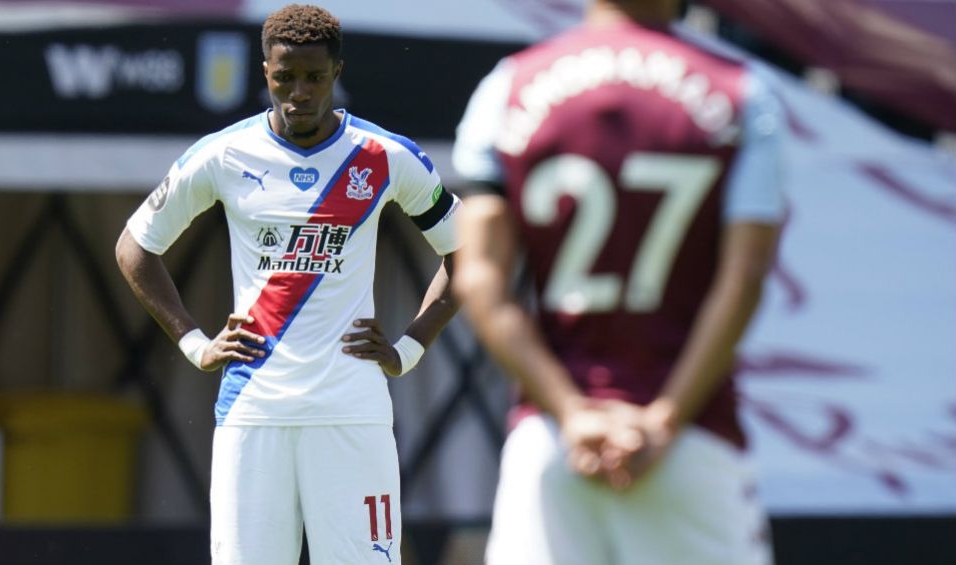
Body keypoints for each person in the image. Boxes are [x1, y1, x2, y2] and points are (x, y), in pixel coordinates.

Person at [115, 5, 461, 564]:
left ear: (337, 72)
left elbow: (469, 255)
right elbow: (135, 248)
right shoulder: (224, 154)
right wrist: (193, 343)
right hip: (253, 409)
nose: (299, 92)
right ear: (264, 72)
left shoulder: (384, 156)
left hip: (352, 409)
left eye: (315, 78)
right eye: (285, 77)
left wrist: (409, 348)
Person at [451, 0, 784, 564]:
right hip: (691, 439)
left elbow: (479, 278)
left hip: (553, 442)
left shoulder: (508, 87)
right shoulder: (741, 92)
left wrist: (572, 411)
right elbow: (744, 277)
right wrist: (664, 418)